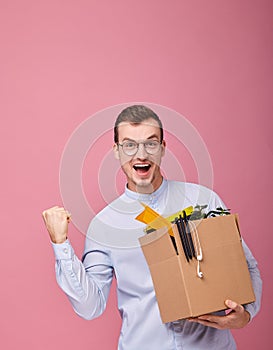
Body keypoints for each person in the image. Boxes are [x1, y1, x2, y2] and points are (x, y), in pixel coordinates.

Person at [42, 105, 262, 350]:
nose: (141, 155)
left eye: (151, 143)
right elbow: (90, 306)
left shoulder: (204, 200)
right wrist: (60, 245)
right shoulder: (104, 226)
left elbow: (247, 265)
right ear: (116, 151)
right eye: (129, 145)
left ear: (163, 149)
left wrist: (247, 314)